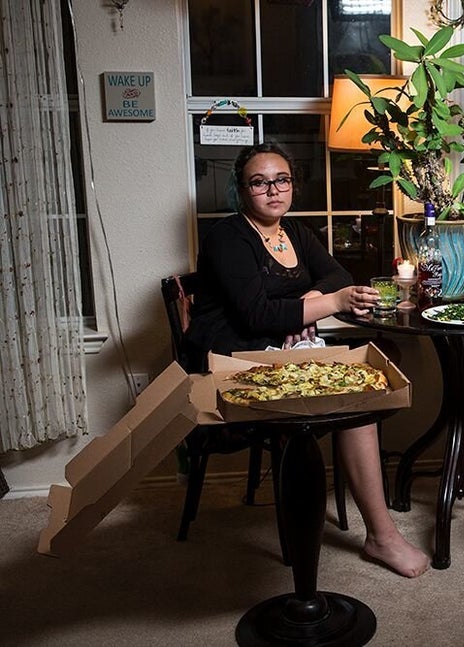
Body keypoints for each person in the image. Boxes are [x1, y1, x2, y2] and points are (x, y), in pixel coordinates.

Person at [184, 142, 430, 578]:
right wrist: (328, 303)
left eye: (282, 180)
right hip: (235, 361)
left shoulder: (294, 232)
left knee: (363, 389)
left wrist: (310, 300)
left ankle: (379, 535)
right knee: (357, 397)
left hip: (281, 351)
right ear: (242, 190)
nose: (273, 190)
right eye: (259, 183)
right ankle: (381, 536)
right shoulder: (227, 237)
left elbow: (337, 274)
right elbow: (256, 314)